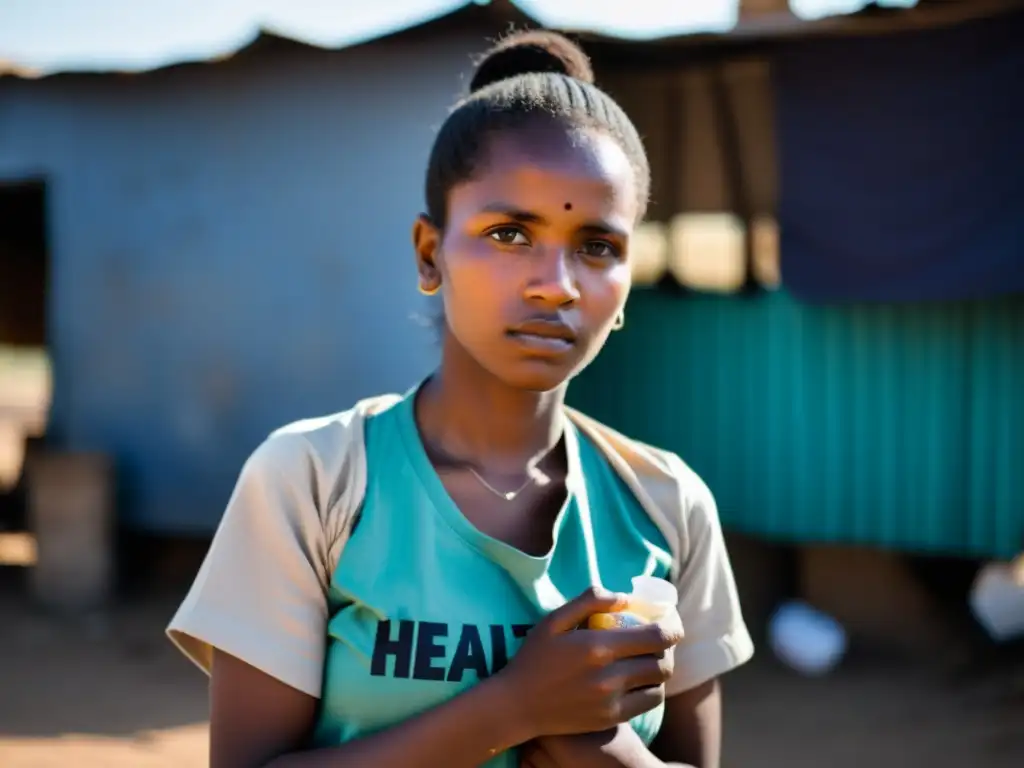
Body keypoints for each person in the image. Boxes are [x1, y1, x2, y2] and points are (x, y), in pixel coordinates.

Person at [167, 30, 753, 768]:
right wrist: (516, 707)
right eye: (510, 233)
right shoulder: (314, 483)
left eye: (598, 246)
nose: (558, 283)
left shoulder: (667, 504)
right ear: (428, 254)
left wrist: (610, 758)